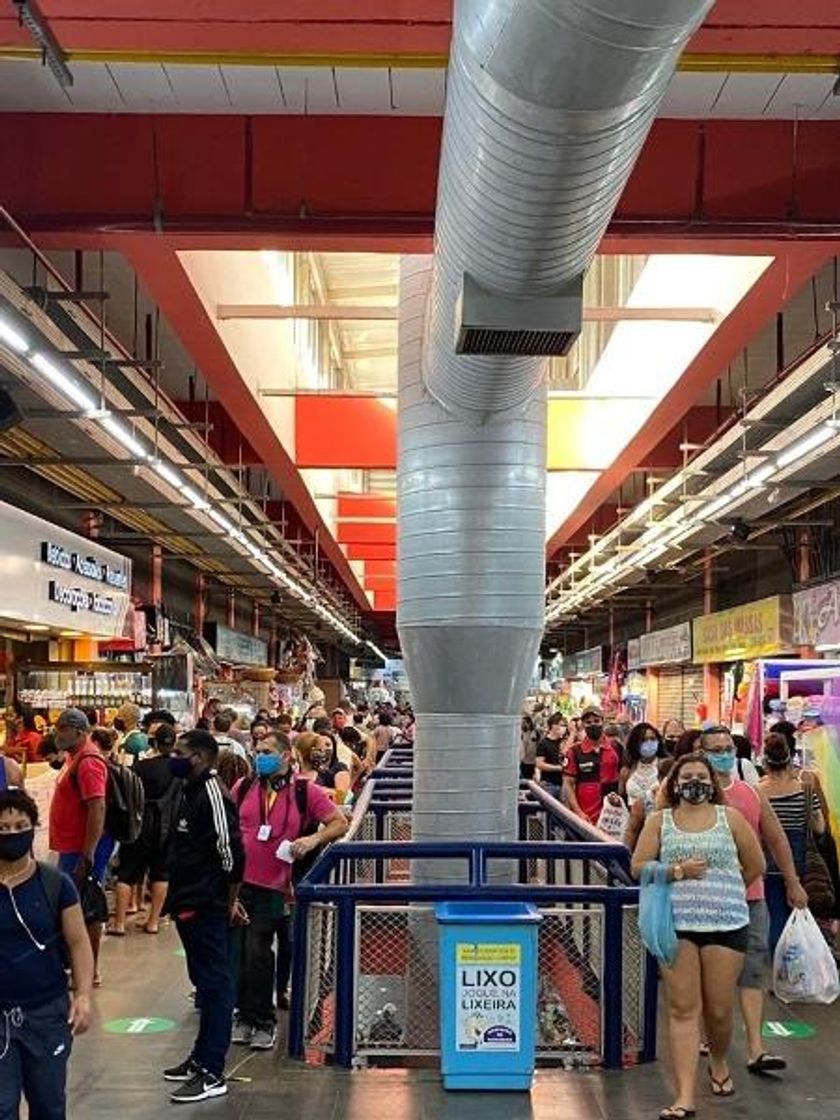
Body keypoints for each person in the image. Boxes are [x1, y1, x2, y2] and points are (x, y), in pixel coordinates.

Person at [632, 754, 764, 1120]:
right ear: (674, 783)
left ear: (713, 783)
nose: (694, 782)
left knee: (720, 1010)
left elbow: (756, 866)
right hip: (677, 925)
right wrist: (676, 871)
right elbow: (638, 865)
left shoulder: (731, 820)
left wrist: (726, 890)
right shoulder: (660, 822)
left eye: (701, 776)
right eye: (686, 776)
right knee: (681, 1008)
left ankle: (719, 1061)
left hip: (726, 925)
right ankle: (685, 1096)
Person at [698, 725, 808, 1075]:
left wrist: (793, 882)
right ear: (702, 754)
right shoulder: (690, 795)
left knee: (753, 968)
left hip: (751, 896)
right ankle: (710, 1036)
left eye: (728, 747)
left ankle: (756, 1048)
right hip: (705, 901)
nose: (724, 754)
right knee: (710, 973)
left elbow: (776, 840)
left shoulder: (751, 793)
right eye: (715, 748)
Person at [231, 733, 347, 1049]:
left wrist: (311, 841)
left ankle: (264, 1020)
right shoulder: (243, 788)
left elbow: (339, 823)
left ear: (285, 756)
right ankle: (244, 1015)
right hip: (240, 883)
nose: (259, 756)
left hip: (277, 884)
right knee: (240, 951)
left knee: (258, 949)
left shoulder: (303, 792)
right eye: (257, 751)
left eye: (266, 752)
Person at [0, 787, 94, 1120]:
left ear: (33, 826)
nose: (12, 834)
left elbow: (79, 941)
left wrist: (82, 995)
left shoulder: (55, 883)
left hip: (46, 1014)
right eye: (3, 828)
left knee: (49, 1105)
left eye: (20, 826)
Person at [163, 730, 246, 1104]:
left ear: (198, 756)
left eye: (180, 752)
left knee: (215, 986)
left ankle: (213, 1071)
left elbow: (231, 853)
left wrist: (229, 900)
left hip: (207, 902)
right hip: (187, 901)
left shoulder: (213, 793)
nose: (172, 757)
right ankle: (199, 1058)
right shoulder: (188, 789)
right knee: (203, 983)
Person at [48, 708, 108, 985]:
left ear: (79, 732)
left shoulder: (88, 761)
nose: (57, 733)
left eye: (62, 728)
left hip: (80, 849)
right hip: (70, 847)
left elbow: (97, 807)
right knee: (73, 907)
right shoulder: (74, 757)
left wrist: (89, 852)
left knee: (87, 908)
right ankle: (78, 966)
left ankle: (90, 969)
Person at [110, 724, 181, 936]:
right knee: (161, 873)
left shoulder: (142, 766)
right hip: (167, 826)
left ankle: (120, 923)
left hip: (140, 824)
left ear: (155, 743)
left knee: (127, 873)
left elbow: (126, 790)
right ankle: (153, 922)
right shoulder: (181, 769)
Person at [759, 731, 824, 952]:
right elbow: (819, 827)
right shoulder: (804, 790)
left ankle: (779, 972)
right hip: (800, 861)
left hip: (767, 860)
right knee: (798, 913)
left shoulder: (758, 791)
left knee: (775, 916)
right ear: (790, 759)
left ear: (765, 761)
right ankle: (800, 969)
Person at [563, 707, 622, 825]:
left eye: (596, 721)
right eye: (588, 722)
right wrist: (578, 812)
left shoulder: (616, 747)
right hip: (585, 817)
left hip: (612, 816)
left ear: (603, 721)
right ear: (583, 724)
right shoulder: (574, 751)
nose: (593, 724)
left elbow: (623, 776)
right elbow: (568, 784)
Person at [620, 722, 664, 810]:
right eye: (644, 740)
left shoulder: (664, 766)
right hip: (632, 819)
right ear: (635, 744)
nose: (649, 743)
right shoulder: (627, 770)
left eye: (652, 739)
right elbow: (621, 798)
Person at [535, 712, 570, 797]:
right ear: (553, 725)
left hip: (564, 784)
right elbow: (540, 764)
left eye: (565, 726)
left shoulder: (564, 742)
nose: (563, 728)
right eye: (561, 725)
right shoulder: (544, 743)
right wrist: (558, 768)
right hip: (549, 784)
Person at [519, 714, 539, 781]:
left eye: (524, 722)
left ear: (529, 723)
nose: (523, 724)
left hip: (532, 761)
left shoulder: (536, 733)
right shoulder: (522, 733)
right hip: (524, 761)